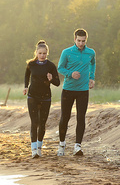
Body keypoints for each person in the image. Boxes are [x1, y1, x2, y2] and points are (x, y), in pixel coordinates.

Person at [57, 28, 96, 156]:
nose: (81, 43)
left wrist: (92, 78)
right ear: (74, 39)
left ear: (86, 40)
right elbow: (60, 68)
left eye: (83, 41)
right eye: (79, 41)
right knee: (65, 118)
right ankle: (62, 144)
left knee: (81, 118)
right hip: (68, 89)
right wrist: (70, 74)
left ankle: (77, 146)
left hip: (83, 91)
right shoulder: (67, 52)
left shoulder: (90, 52)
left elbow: (93, 64)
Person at [24, 40, 60, 158]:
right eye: (40, 53)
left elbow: (58, 83)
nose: (42, 56)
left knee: (42, 123)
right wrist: (25, 87)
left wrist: (51, 79)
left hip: (45, 98)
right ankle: (33, 149)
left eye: (44, 53)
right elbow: (27, 75)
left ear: (47, 53)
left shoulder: (50, 66)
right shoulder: (31, 64)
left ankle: (39, 147)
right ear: (36, 53)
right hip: (32, 97)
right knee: (34, 122)